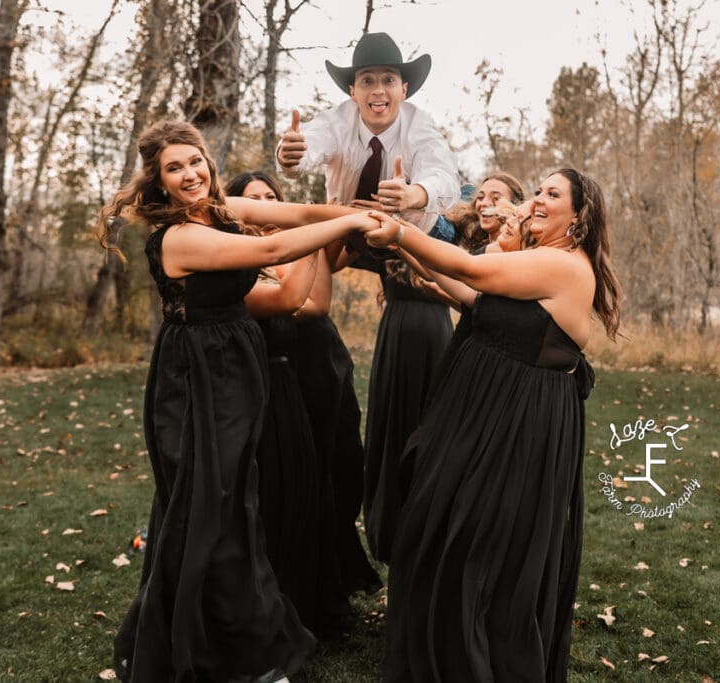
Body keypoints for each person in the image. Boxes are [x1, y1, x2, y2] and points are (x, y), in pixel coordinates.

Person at [98, 120, 379, 683]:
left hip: (236, 369)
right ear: (159, 182)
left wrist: (355, 212)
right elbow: (275, 248)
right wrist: (348, 220)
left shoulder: (221, 210)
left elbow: (296, 217)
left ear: (208, 161)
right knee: (210, 508)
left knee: (235, 505)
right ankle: (223, 651)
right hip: (197, 379)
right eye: (174, 169)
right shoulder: (178, 237)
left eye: (194, 161)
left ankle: (240, 640)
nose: (190, 174)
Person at [365, 168, 622, 682]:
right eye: (539, 191)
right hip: (488, 415)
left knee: (478, 544)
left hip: (519, 426)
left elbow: (472, 271)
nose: (539, 199)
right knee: (439, 530)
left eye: (553, 194)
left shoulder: (565, 266)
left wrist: (399, 231)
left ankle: (475, 662)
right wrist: (409, 248)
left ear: (580, 215)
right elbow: (473, 297)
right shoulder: (537, 259)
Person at [275, 31, 462, 567]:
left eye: (387, 80)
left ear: (403, 87)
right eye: (366, 81)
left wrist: (416, 195)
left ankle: (420, 507)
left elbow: (444, 173)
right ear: (353, 90)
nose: (377, 91)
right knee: (306, 270)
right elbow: (307, 146)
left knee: (428, 308)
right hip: (351, 228)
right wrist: (291, 156)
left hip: (412, 237)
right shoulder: (338, 119)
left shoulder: (419, 125)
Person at [224, 170, 352, 633]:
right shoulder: (233, 261)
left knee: (305, 490)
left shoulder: (282, 250)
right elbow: (296, 301)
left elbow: (316, 303)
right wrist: (313, 232)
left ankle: (302, 599)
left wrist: (317, 227)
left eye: (270, 198)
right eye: (252, 200)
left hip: (296, 385)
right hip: (249, 394)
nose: (264, 207)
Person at [446, 171, 526, 251]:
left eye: (496, 198)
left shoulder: (517, 250)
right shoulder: (467, 239)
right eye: (480, 197)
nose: (484, 203)